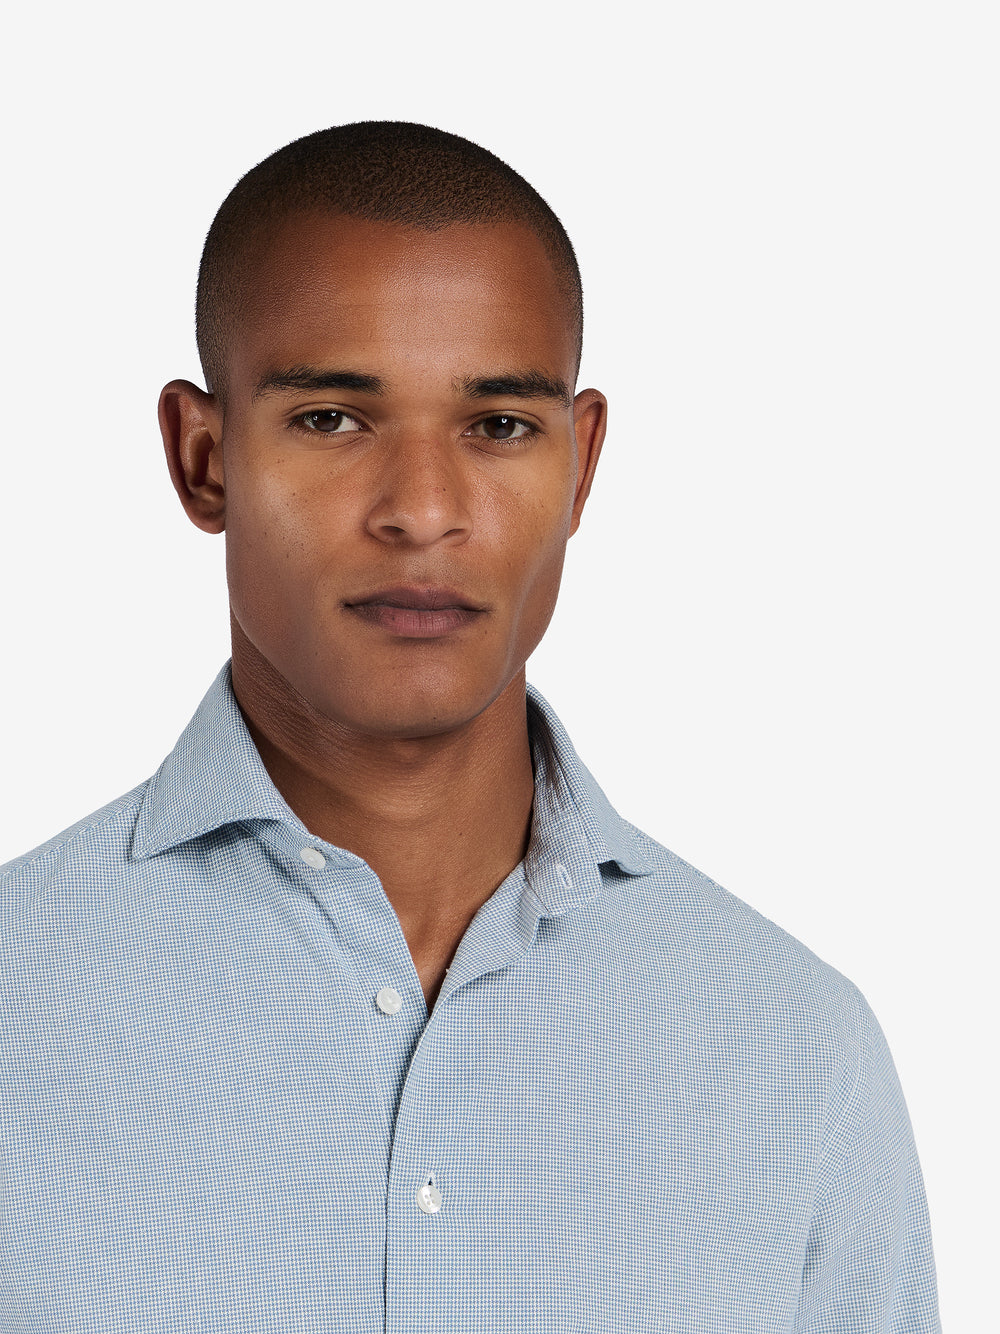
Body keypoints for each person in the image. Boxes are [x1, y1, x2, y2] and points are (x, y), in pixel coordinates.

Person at [0, 121, 940, 1332]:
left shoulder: (795, 1051)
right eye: (332, 418)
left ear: (580, 463)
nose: (423, 510)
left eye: (498, 425)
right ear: (203, 456)